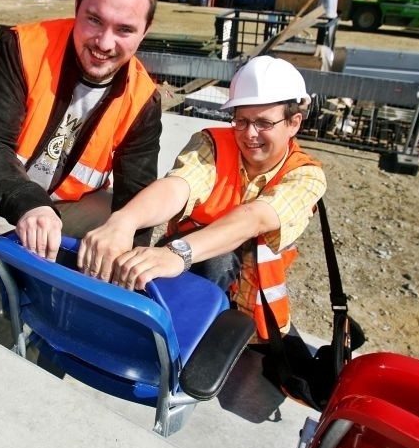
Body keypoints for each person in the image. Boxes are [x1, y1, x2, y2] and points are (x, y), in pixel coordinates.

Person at [78, 56, 327, 342]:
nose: (249, 134)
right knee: (215, 264)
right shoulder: (212, 144)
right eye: (241, 120)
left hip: (254, 316)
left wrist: (178, 253)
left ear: (294, 122)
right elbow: (178, 186)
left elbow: (256, 218)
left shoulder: (306, 176)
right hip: (188, 290)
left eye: (263, 123)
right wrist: (123, 221)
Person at [0, 0, 162, 263]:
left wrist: (128, 260)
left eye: (125, 29)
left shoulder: (143, 99)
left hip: (57, 205)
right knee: (25, 275)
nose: (105, 43)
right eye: (94, 20)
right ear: (76, 8)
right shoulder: (21, 48)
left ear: (145, 31)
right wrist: (30, 205)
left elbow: (136, 192)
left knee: (119, 231)